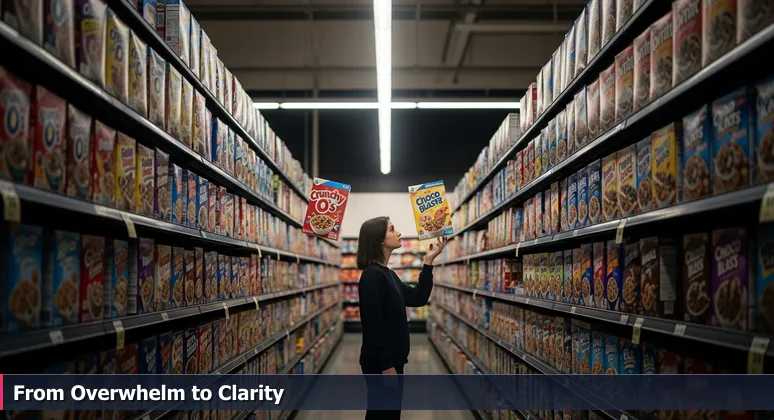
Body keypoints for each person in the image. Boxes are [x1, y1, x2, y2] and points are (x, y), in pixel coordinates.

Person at [356, 216, 448, 420]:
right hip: (382, 364)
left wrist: (428, 262)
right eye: (392, 229)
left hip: (392, 361)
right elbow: (372, 327)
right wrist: (386, 366)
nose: (398, 233)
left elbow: (418, 298)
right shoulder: (372, 276)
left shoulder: (387, 274)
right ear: (379, 239)